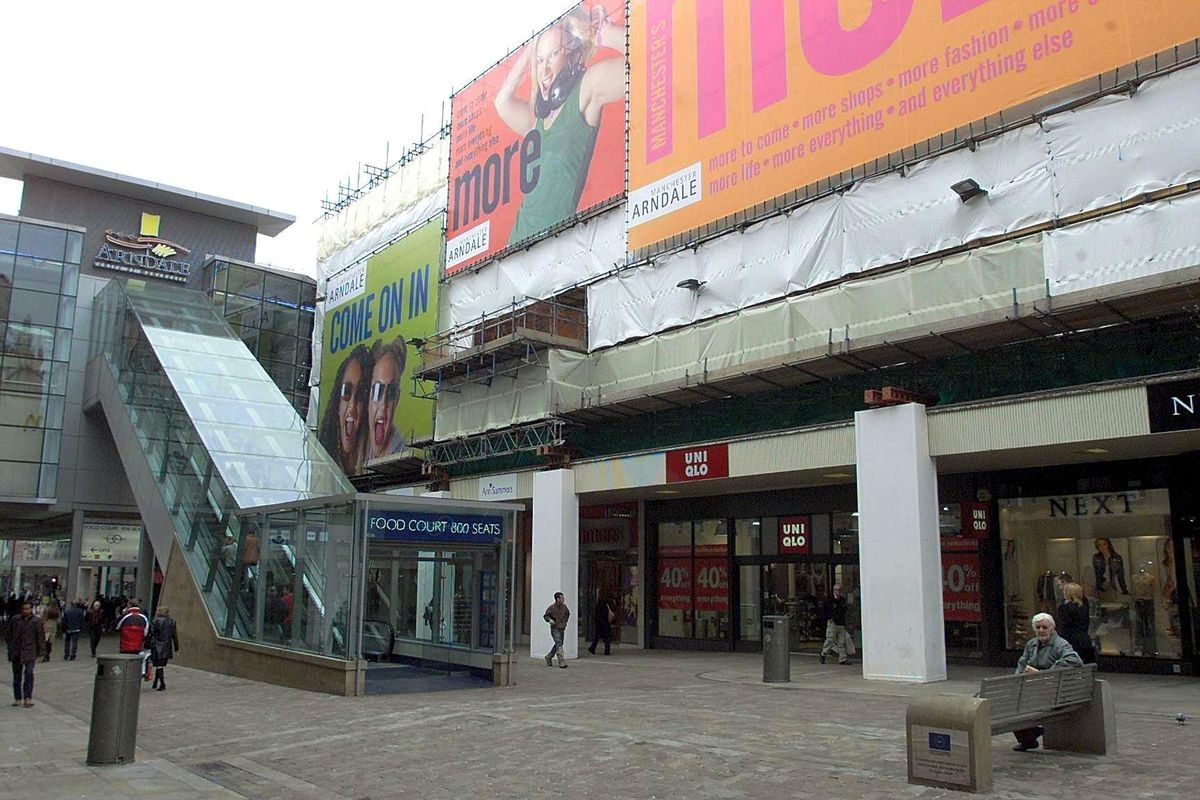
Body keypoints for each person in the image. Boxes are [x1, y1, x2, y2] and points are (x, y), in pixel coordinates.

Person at [493, 2, 624, 243]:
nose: (544, 70)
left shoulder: (587, 89)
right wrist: (532, 47)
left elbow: (649, 58)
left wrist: (602, 32)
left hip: (554, 248)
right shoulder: (537, 118)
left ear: (572, 54)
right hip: (516, 246)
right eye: (540, 61)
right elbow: (501, 102)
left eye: (553, 55)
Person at [1012, 612, 1084, 751]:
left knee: (1018, 705)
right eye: (1038, 627)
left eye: (1044, 627)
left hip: (1054, 693)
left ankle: (1028, 736)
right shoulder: (1031, 644)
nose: (1041, 631)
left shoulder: (1060, 644)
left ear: (1052, 628)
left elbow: (1075, 660)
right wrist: (1019, 678)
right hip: (1037, 691)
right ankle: (1028, 736)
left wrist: (1046, 673)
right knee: (1015, 701)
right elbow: (1021, 664)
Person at [318, 344, 372, 474]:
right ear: (337, 402)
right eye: (346, 392)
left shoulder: (373, 452)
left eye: (359, 393)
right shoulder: (323, 460)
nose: (352, 405)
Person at [366, 339, 408, 461]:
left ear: (397, 399)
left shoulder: (402, 454)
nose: (383, 405)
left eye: (391, 393)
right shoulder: (358, 447)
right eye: (378, 390)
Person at [6, 601, 45, 707]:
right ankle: (18, 698)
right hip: (17, 651)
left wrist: (41, 652)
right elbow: (9, 635)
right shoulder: (16, 620)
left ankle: (28, 697)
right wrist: (10, 649)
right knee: (17, 676)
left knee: (29, 673)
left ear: (31, 609)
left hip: (30, 651)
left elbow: (40, 637)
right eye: (24, 609)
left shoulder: (36, 621)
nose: (26, 611)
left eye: (28, 609)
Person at [1056, 581, 1094, 664]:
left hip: (1071, 640)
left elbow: (1063, 626)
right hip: (1084, 639)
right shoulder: (1084, 605)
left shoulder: (1065, 608)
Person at [147, 606, 180, 691]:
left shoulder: (156, 621)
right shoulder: (172, 621)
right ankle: (156, 682)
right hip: (167, 646)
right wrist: (176, 646)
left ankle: (162, 683)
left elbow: (151, 634)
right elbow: (174, 635)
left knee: (159, 665)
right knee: (160, 665)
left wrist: (149, 644)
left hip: (157, 645)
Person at [819, 585, 851, 665]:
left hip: (841, 623)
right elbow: (824, 610)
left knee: (841, 642)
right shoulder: (829, 600)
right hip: (832, 623)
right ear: (834, 591)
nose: (839, 592)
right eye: (838, 590)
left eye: (840, 590)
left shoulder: (842, 600)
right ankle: (823, 653)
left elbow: (844, 610)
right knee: (830, 639)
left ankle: (842, 659)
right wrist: (829, 618)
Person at [542, 592, 570, 668]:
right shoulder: (551, 608)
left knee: (559, 644)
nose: (563, 599)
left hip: (562, 628)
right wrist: (550, 620)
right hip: (555, 628)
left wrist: (565, 622)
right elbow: (546, 616)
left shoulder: (564, 607)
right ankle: (561, 661)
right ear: (557, 599)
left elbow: (567, 614)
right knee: (558, 643)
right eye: (561, 598)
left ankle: (549, 656)